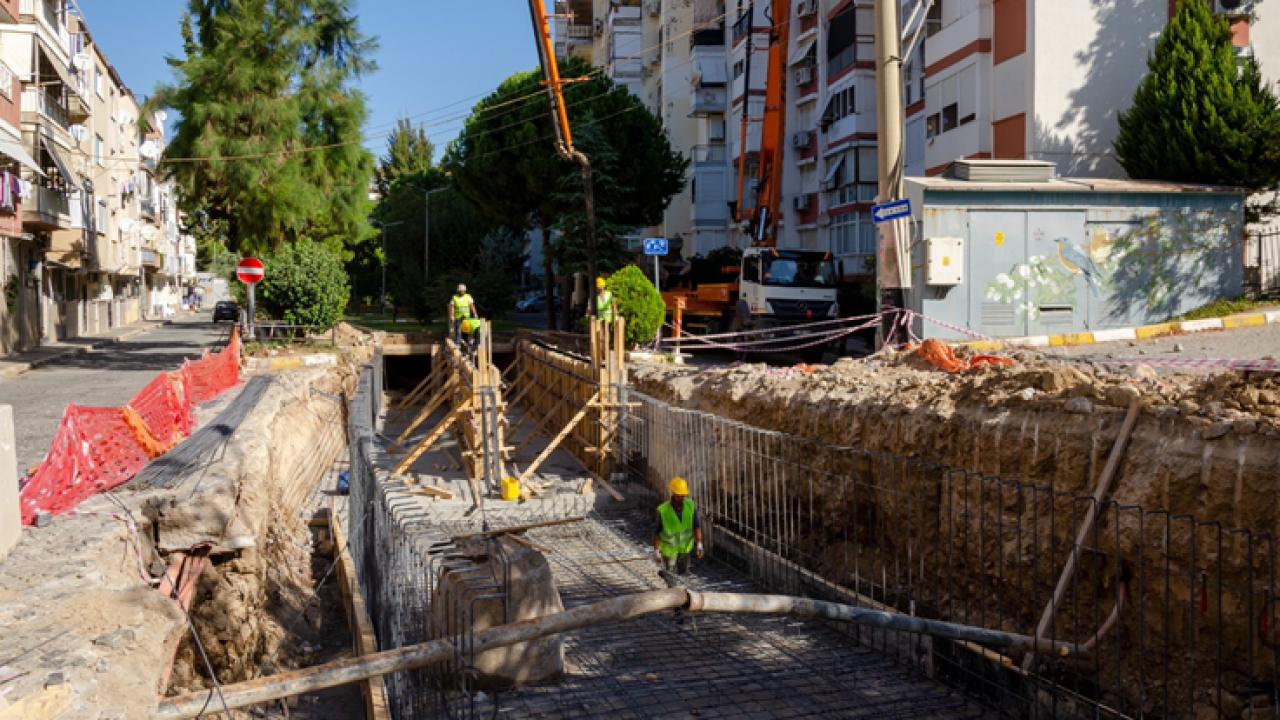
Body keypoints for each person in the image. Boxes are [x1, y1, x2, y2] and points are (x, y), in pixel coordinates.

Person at [652, 477, 704, 588]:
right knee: (673, 581)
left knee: (682, 572)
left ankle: (666, 574)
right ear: (673, 493)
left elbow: (696, 526)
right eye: (679, 495)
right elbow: (657, 532)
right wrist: (656, 550)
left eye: (683, 495)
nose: (681, 497)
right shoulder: (663, 510)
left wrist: (699, 544)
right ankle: (674, 598)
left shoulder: (690, 506)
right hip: (669, 550)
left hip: (685, 548)